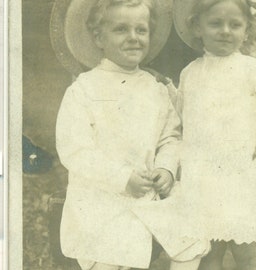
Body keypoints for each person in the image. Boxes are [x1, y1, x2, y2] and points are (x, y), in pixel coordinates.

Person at [56, 0, 208, 269]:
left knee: (190, 239)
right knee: (112, 252)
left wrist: (166, 168)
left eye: (141, 30)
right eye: (121, 29)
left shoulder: (155, 87)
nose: (133, 38)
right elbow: (75, 150)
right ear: (99, 37)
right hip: (101, 195)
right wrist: (122, 177)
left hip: (149, 192)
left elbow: (170, 137)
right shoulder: (84, 90)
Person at [172, 0, 256, 269]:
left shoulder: (251, 69)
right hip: (201, 178)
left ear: (247, 31)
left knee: (244, 252)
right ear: (197, 27)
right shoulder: (190, 73)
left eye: (235, 25)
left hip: (236, 177)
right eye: (215, 23)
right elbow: (183, 119)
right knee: (208, 253)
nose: (225, 31)